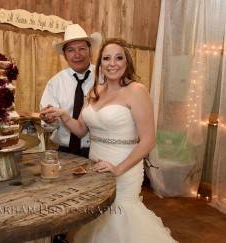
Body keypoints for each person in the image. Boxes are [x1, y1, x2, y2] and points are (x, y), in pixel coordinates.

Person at [40, 38, 177, 243]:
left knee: (120, 219)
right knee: (98, 220)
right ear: (101, 64)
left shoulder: (136, 91)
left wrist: (119, 169)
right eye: (106, 58)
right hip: (96, 167)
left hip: (124, 168)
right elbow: (80, 131)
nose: (112, 63)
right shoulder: (95, 91)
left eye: (118, 58)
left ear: (126, 62)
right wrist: (63, 115)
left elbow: (148, 141)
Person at [40, 24, 101, 158]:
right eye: (71, 50)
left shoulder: (103, 77)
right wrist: (50, 120)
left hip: (98, 150)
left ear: (90, 51)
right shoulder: (55, 83)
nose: (77, 54)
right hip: (64, 152)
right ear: (65, 55)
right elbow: (47, 125)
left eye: (82, 49)